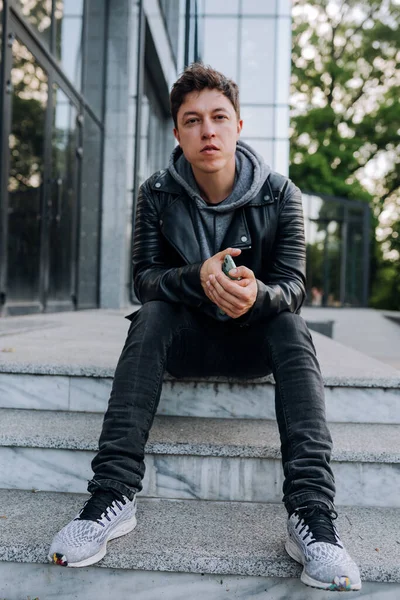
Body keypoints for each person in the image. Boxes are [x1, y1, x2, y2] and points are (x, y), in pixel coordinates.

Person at [48, 63, 361, 592]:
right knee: (151, 314)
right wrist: (199, 277)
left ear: (239, 125)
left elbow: (294, 287)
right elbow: (144, 282)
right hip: (184, 345)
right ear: (177, 133)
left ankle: (314, 520)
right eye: (192, 121)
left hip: (253, 343)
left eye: (219, 118)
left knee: (290, 326)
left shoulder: (281, 195)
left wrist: (256, 294)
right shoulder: (156, 193)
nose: (207, 131)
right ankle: (111, 498)